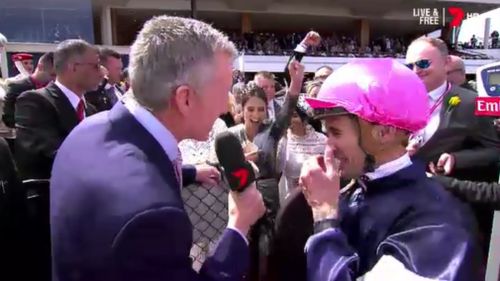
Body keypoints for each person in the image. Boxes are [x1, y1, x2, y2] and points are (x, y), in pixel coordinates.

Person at [50, 16, 266, 281]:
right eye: (224, 91)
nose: (226, 106)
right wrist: (239, 225)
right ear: (185, 98)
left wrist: (189, 172)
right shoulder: (152, 214)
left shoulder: (86, 130)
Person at [274, 59, 481, 281]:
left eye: (336, 132)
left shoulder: (438, 225)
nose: (329, 146)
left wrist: (325, 215)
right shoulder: (353, 191)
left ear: (384, 133)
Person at [227, 60, 304, 280]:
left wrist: (296, 81)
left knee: (267, 253)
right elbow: (223, 169)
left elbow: (289, 107)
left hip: (269, 202)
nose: (256, 114)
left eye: (260, 109)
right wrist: (240, 162)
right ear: (241, 109)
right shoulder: (231, 136)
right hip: (241, 199)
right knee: (243, 253)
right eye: (250, 109)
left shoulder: (271, 130)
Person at [15, 40, 100, 181]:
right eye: (96, 66)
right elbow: (54, 152)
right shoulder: (34, 102)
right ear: (74, 67)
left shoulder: (91, 110)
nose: (101, 73)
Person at [2, 52, 55, 129]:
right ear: (40, 67)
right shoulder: (17, 87)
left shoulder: (54, 88)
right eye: (52, 75)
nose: (54, 79)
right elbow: (8, 118)